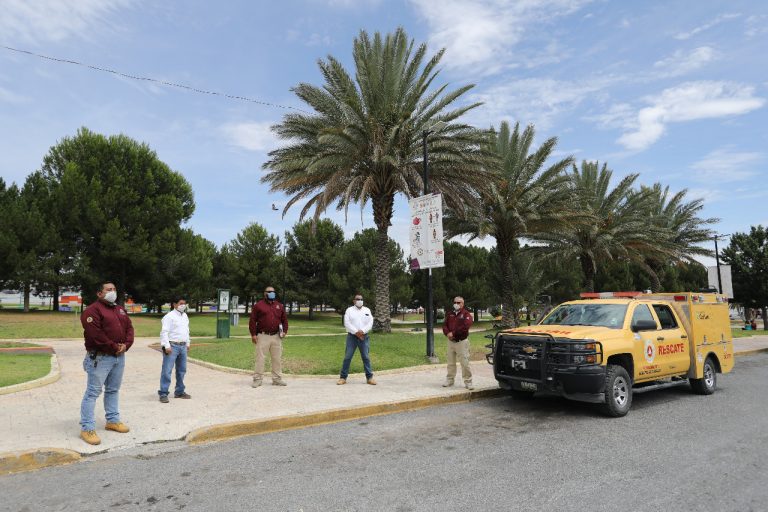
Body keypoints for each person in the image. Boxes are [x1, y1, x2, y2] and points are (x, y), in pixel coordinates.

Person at [79, 282, 134, 445]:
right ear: (99, 293)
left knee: (113, 390)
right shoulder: (91, 311)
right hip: (101, 357)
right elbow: (96, 335)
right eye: (108, 290)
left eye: (114, 289)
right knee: (92, 393)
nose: (112, 292)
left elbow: (129, 328)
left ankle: (112, 420)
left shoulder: (119, 309)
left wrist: (126, 345)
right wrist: (114, 347)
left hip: (119, 357)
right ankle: (87, 428)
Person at [249, 286, 288, 387]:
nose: (272, 293)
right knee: (260, 358)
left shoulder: (279, 306)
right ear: (265, 293)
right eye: (270, 292)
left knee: (277, 358)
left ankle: (277, 379)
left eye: (273, 292)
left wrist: (284, 332)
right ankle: (257, 379)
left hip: (276, 336)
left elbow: (284, 321)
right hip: (262, 336)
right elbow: (252, 321)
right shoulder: (258, 306)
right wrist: (253, 334)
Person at [158, 296, 191, 403]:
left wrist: (188, 342)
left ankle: (179, 391)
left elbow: (187, 330)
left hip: (183, 346)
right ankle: (163, 393)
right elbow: (164, 332)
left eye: (184, 303)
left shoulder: (185, 315)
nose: (183, 305)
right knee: (167, 370)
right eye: (181, 303)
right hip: (172, 346)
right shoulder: (169, 316)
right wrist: (166, 345)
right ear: (174, 304)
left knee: (182, 370)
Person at [338, 293, 376, 385]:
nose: (360, 301)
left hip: (364, 337)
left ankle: (369, 378)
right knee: (347, 357)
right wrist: (356, 332)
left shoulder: (367, 310)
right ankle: (343, 378)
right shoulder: (349, 310)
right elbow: (347, 323)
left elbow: (370, 322)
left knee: (366, 357)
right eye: (358, 299)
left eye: (361, 299)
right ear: (354, 301)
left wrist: (362, 331)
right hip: (352, 337)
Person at [442, 296, 474, 390]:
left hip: (462, 342)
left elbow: (465, 326)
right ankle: (450, 380)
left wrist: (454, 333)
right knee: (450, 363)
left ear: (462, 304)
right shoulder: (450, 314)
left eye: (458, 302)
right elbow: (445, 325)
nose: (456, 304)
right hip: (451, 342)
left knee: (465, 363)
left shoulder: (466, 314)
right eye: (455, 302)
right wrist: (447, 333)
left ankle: (468, 382)